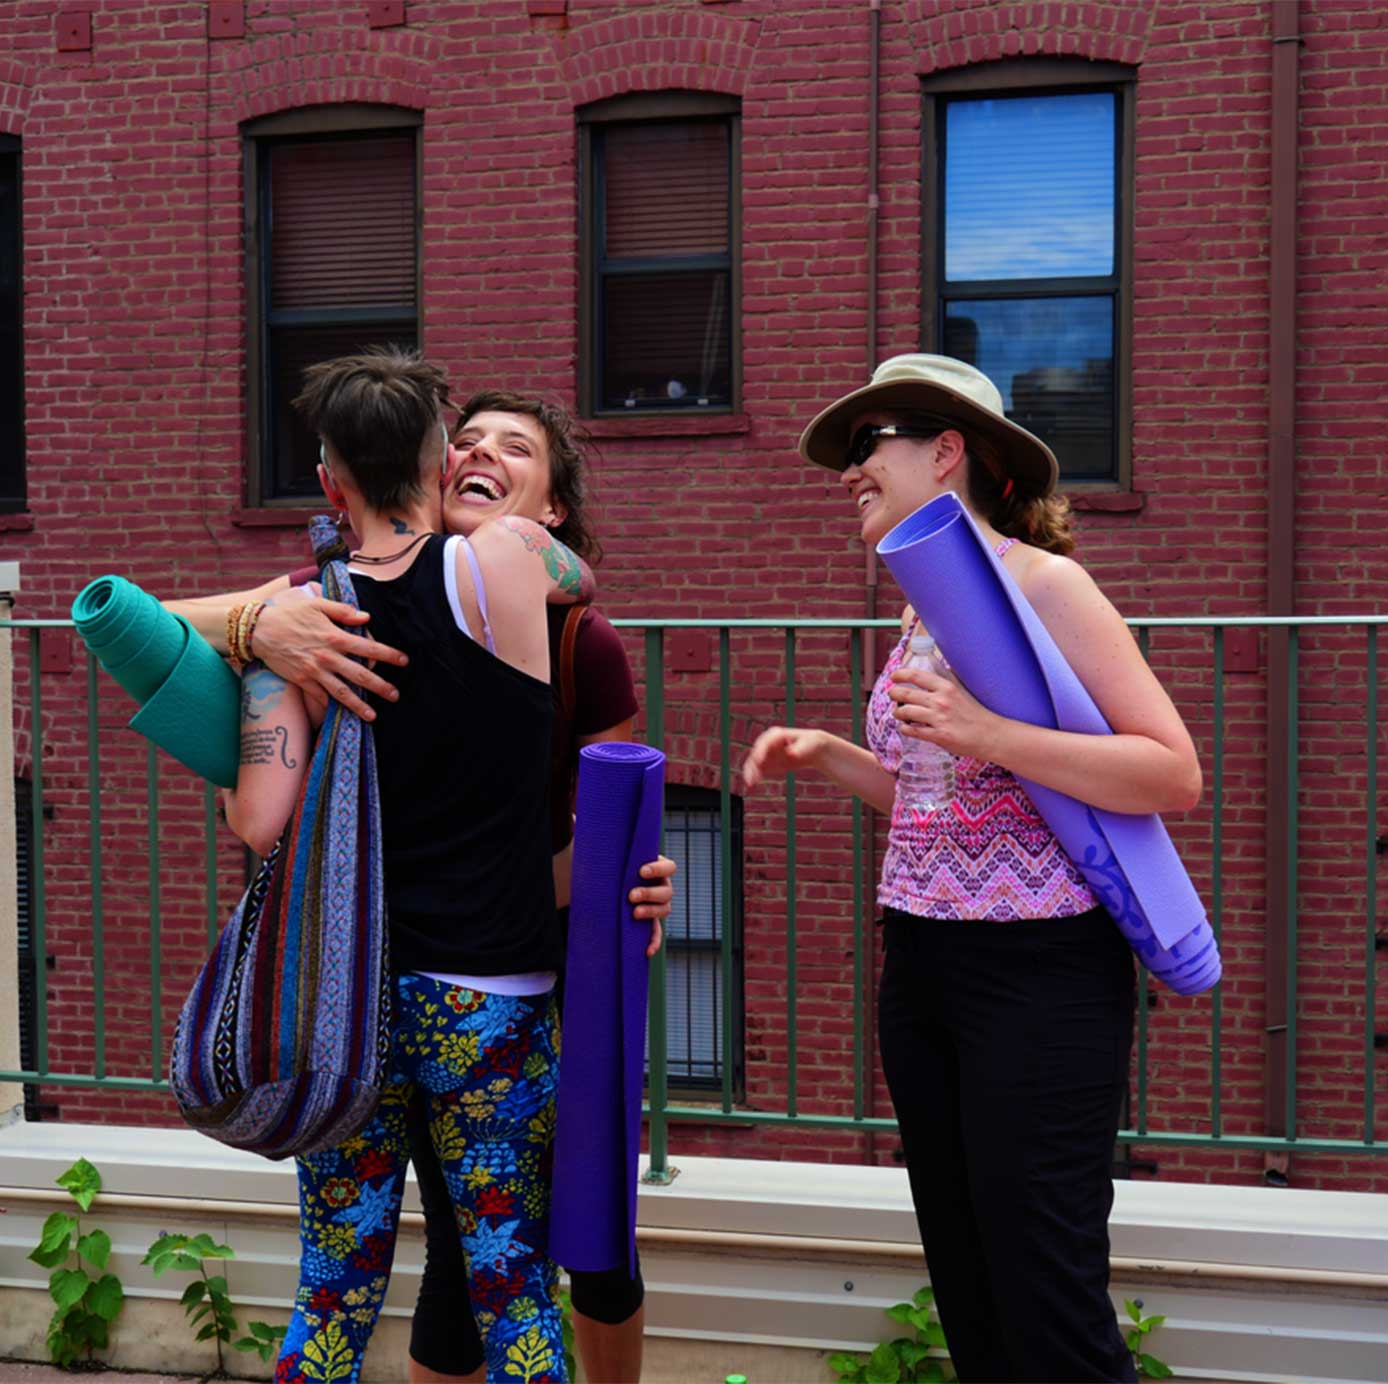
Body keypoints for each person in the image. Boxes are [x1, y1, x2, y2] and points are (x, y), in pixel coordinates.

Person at [170, 389, 669, 1383]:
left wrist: (259, 638)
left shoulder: (297, 619)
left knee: (331, 1291)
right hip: (490, 1002)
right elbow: (579, 570)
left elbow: (257, 823)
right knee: (512, 1284)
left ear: (326, 483)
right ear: (442, 469)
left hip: (345, 1006)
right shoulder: (512, 564)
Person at [742, 354, 1202, 1383]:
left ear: (945, 450)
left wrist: (988, 729)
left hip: (1037, 981)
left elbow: (1170, 772)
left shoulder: (1045, 585)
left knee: (1047, 1297)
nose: (846, 470)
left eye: (867, 444)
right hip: (922, 971)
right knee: (970, 1289)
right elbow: (948, 804)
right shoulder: (918, 604)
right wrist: (829, 756)